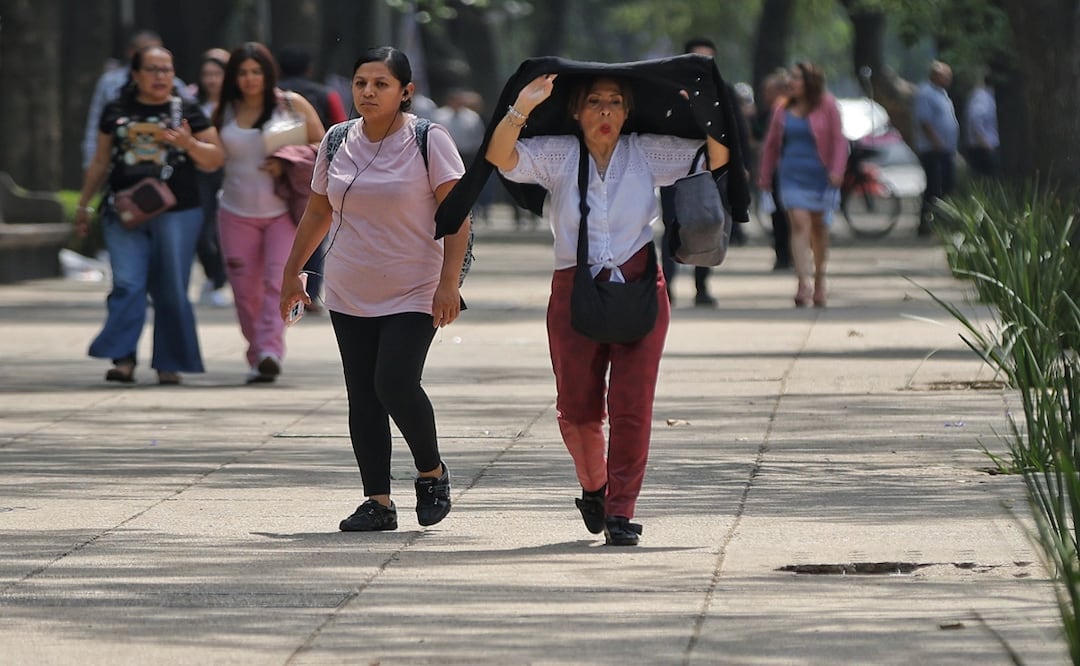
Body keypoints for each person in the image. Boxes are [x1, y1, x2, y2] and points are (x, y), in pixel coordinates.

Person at [485, 72, 733, 546]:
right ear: (577, 111)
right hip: (574, 290)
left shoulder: (646, 152)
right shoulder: (559, 154)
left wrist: (705, 111)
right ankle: (595, 486)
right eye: (594, 102)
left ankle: (621, 511)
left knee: (632, 409)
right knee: (576, 412)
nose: (604, 112)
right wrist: (522, 105)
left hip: (639, 286)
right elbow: (500, 156)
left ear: (627, 111)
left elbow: (714, 157)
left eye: (615, 103)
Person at [279, 46, 471, 532]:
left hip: (416, 285)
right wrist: (290, 273)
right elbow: (318, 212)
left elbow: (456, 218)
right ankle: (378, 502)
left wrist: (449, 285)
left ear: (405, 92)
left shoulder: (429, 139)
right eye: (361, 82)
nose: (368, 91)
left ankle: (432, 472)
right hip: (350, 284)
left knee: (395, 382)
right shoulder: (338, 140)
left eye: (381, 84)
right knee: (362, 393)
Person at [73, 45, 225, 384]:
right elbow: (100, 160)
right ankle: (122, 357)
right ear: (136, 75)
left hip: (178, 210)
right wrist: (84, 205)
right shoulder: (116, 109)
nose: (161, 76)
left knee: (171, 286)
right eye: (153, 70)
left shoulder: (186, 110)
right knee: (128, 282)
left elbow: (215, 158)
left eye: (167, 70)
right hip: (123, 210)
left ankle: (169, 361)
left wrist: (189, 145)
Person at [214, 42, 325, 384]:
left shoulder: (290, 105)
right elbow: (210, 153)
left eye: (256, 72)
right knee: (244, 288)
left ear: (268, 73)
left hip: (283, 211)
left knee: (279, 281)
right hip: (235, 210)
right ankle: (256, 349)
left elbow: (324, 145)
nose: (249, 79)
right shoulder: (223, 110)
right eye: (243, 72)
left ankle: (269, 352)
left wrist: (287, 160)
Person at [757, 61, 847, 308]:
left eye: (796, 77)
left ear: (809, 81)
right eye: (790, 78)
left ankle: (819, 280)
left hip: (821, 177)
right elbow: (771, 144)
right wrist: (765, 177)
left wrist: (837, 170)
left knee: (818, 229)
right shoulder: (782, 108)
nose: (791, 82)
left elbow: (839, 140)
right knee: (799, 224)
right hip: (791, 176)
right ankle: (803, 282)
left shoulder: (827, 104)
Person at [277, 44, 349, 313]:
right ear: (308, 68)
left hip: (273, 172)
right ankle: (311, 291)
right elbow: (342, 129)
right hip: (312, 172)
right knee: (316, 228)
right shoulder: (325, 94)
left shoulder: (273, 96)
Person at [660, 37, 726, 308]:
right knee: (672, 228)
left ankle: (702, 286)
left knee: (707, 227)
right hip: (673, 174)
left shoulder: (723, 93)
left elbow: (735, 134)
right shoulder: (668, 94)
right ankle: (666, 287)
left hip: (710, 175)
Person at [82, 30, 190, 170]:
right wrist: (90, 163)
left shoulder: (176, 86)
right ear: (131, 52)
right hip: (119, 163)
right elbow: (95, 125)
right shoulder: (109, 83)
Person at [194, 50, 231, 308]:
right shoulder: (192, 104)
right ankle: (213, 276)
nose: (212, 80)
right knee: (201, 230)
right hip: (200, 174)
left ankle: (219, 280)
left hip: (231, 174)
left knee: (222, 232)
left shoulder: (236, 107)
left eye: (217, 74)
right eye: (207, 74)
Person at [751, 68, 792, 271]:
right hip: (776, 169)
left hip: (791, 168)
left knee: (789, 215)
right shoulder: (769, 111)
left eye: (769, 91)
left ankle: (789, 253)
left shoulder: (785, 110)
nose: (765, 96)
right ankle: (783, 254)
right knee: (779, 215)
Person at [913, 60, 959, 236]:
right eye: (946, 75)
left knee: (946, 185)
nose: (949, 79)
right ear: (935, 75)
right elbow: (924, 121)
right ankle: (925, 224)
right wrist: (936, 142)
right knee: (934, 186)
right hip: (933, 150)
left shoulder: (942, 94)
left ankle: (941, 222)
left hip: (945, 149)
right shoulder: (926, 94)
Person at [963, 70, 1000, 179]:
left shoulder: (987, 96)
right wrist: (984, 143)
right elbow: (975, 120)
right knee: (985, 180)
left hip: (985, 147)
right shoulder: (982, 98)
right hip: (982, 148)